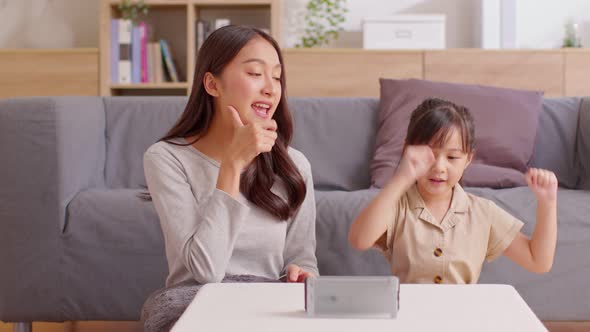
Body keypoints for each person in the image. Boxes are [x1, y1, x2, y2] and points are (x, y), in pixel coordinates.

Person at [141, 25, 318, 330]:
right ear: (212, 84)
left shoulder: (294, 165)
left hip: (267, 306)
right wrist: (233, 165)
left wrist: (302, 275)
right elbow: (204, 271)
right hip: (195, 304)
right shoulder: (166, 158)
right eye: (255, 73)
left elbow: (304, 260)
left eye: (276, 76)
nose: (271, 88)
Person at [349, 98, 558, 284]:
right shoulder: (396, 206)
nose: (439, 167)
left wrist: (547, 203)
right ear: (408, 150)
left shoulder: (483, 212)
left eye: (452, 157)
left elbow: (537, 261)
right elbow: (359, 240)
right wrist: (401, 178)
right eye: (429, 155)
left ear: (468, 159)